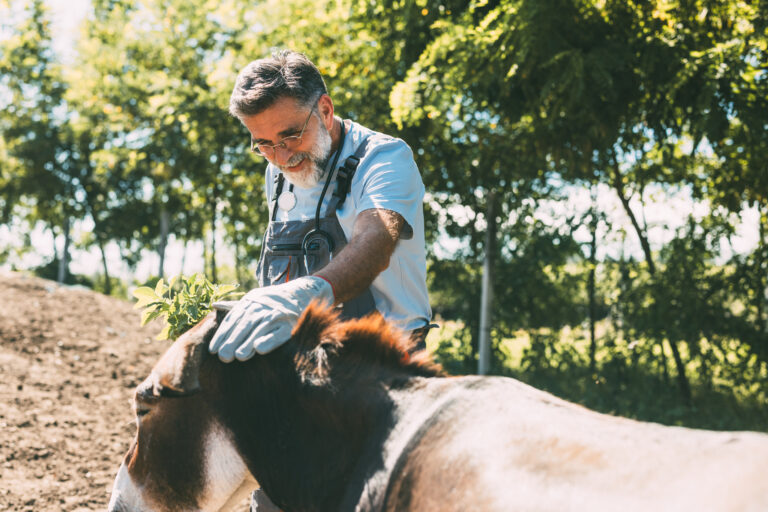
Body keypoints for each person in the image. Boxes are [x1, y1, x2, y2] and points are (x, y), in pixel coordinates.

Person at [207, 50, 433, 511]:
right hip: (300, 379)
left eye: (291, 134)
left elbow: (375, 240)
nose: (281, 156)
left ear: (324, 110)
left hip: (381, 377)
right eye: (263, 144)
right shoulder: (277, 171)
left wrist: (309, 292)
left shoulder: (384, 158)